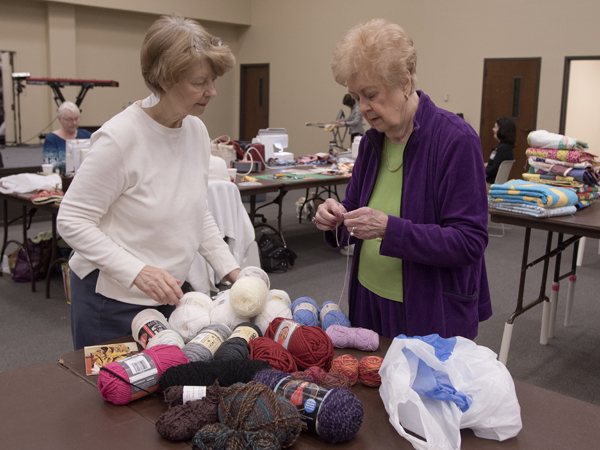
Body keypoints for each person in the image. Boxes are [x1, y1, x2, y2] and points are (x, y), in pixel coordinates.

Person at [57, 14, 241, 350]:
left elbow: (196, 210)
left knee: (158, 391)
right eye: (200, 82)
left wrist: (231, 270)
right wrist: (138, 271)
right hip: (110, 301)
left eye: (213, 81)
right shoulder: (120, 139)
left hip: (166, 295)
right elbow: (72, 220)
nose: (212, 92)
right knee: (110, 395)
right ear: (166, 78)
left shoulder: (195, 130)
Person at [312, 19, 491, 340]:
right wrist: (335, 218)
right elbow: (353, 217)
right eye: (355, 97)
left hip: (428, 309)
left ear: (405, 83)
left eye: (371, 94)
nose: (363, 108)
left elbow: (469, 242)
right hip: (367, 299)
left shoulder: (455, 140)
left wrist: (388, 229)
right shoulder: (371, 143)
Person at [43, 101, 92, 174]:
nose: (74, 123)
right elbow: (50, 166)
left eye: (76, 119)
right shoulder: (52, 139)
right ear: (60, 119)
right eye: (69, 119)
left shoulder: (86, 135)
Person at [485, 117, 516, 187]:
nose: (493, 129)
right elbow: (492, 164)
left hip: (490, 183)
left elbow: (493, 169)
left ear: (502, 130)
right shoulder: (504, 148)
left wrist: (479, 170)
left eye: (495, 127)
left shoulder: (503, 149)